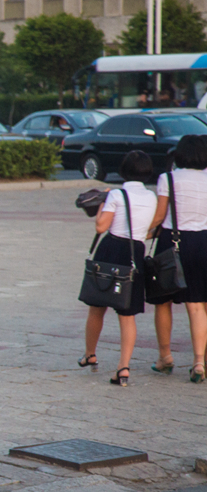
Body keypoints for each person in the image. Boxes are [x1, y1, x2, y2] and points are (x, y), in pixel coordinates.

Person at [78, 151, 156, 387]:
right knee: (127, 314)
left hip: (111, 249)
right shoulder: (151, 197)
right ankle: (123, 368)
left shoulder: (116, 194)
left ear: (123, 170)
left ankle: (90, 354)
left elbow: (101, 226)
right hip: (135, 252)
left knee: (97, 307)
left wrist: (102, 205)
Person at [148, 135, 207, 383]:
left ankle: (166, 357)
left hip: (172, 243)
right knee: (197, 304)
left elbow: (160, 215)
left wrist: (144, 232)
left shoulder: (168, 179)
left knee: (164, 302)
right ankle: (199, 362)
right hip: (203, 242)